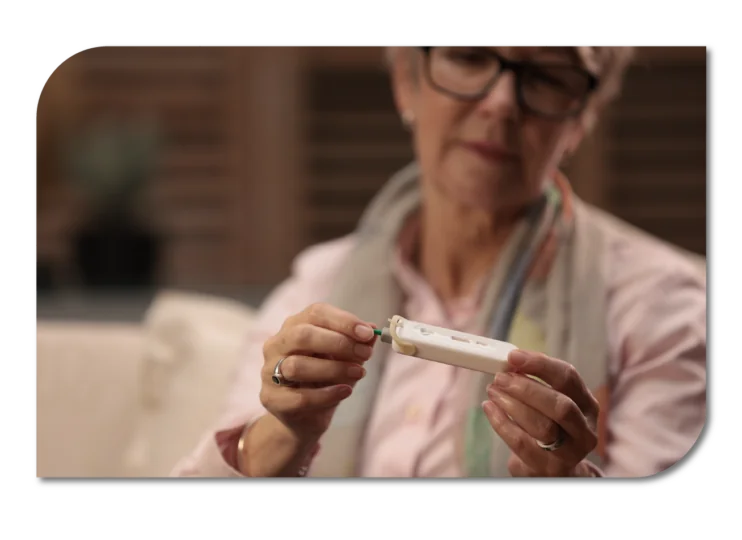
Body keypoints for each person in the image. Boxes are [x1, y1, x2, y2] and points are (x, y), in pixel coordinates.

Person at [171, 44, 706, 478]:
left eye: (545, 75)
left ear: (582, 116)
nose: (501, 103)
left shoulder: (664, 307)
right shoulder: (318, 281)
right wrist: (285, 433)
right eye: (470, 57)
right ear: (406, 80)